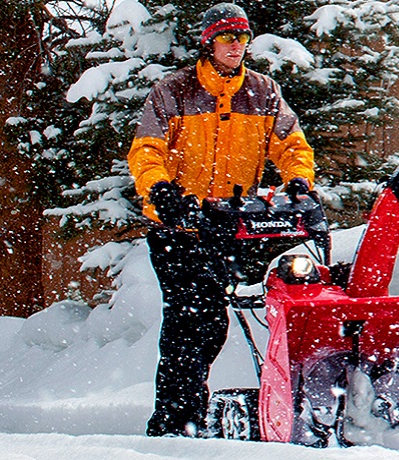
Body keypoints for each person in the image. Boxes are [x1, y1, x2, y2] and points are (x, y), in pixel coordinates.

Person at [128, 2, 315, 437]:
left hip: (228, 227)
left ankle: (203, 413)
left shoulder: (263, 92)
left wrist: (299, 183)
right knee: (193, 321)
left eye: (243, 37)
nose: (236, 45)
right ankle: (176, 423)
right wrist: (159, 189)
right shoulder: (173, 91)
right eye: (228, 37)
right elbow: (146, 150)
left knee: (211, 323)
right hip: (176, 228)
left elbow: (292, 146)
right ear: (208, 41)